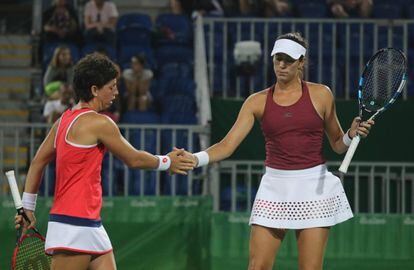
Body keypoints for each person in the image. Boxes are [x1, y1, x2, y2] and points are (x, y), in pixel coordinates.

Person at [184, 32, 375, 270]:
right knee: (258, 267)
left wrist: (350, 135)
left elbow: (337, 143)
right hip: (274, 187)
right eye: (278, 59)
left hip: (314, 189)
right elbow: (227, 144)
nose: (282, 65)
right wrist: (196, 158)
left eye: (289, 60)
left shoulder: (322, 94)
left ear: (301, 62)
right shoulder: (256, 101)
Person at [15, 53, 195, 270]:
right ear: (94, 90)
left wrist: (28, 207)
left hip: (89, 223)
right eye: (111, 87)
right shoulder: (100, 123)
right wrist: (167, 161)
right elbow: (134, 159)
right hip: (74, 225)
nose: (117, 92)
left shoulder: (63, 120)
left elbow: (37, 162)